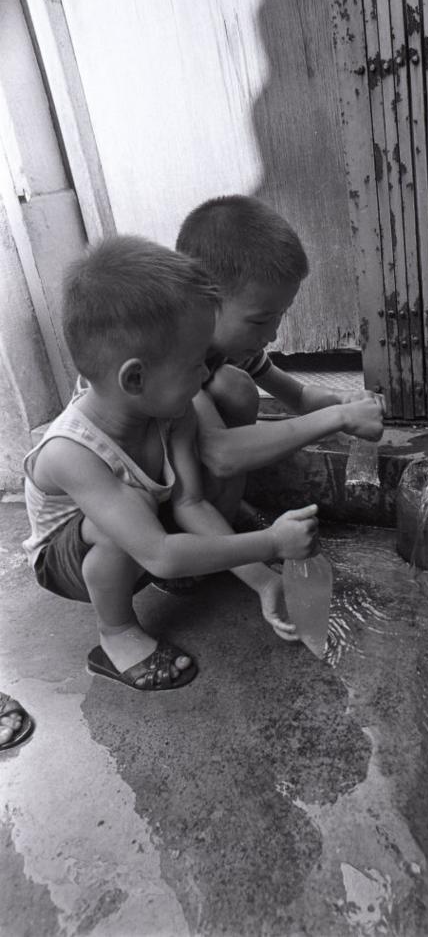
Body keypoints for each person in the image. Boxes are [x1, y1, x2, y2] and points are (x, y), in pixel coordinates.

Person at [22, 235, 320, 692]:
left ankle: (205, 558)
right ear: (135, 377)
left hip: (139, 527)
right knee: (130, 515)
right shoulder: (70, 453)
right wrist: (270, 542)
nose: (206, 374)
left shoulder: (170, 411)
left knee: (160, 499)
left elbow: (191, 503)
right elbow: (158, 554)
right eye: (193, 364)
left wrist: (263, 581)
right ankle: (116, 634)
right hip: (70, 561)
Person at [175, 195, 384, 524]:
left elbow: (298, 397)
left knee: (232, 385)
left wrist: (343, 400)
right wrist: (340, 417)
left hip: (180, 483)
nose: (272, 335)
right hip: (127, 502)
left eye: (280, 317)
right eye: (260, 320)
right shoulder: (172, 356)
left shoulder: (231, 348)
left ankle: (224, 517)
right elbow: (220, 454)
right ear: (201, 300)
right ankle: (206, 537)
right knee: (235, 387)